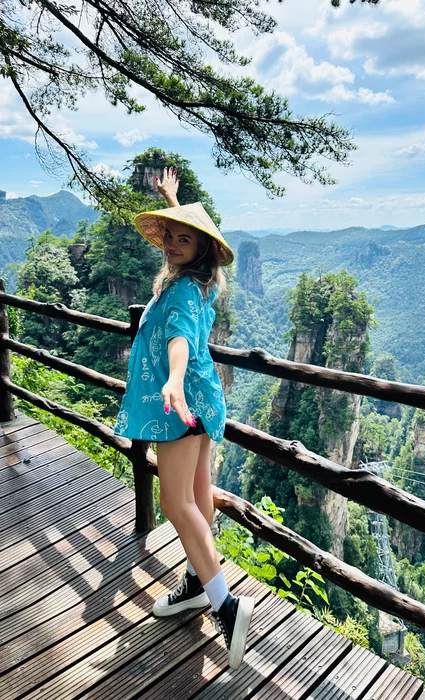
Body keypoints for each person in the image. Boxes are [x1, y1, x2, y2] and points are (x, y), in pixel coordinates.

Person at [114, 166, 254, 671]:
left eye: (183, 239)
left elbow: (179, 338)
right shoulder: (199, 283)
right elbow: (189, 253)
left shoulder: (179, 294)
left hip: (180, 405)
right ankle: (197, 584)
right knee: (197, 497)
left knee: (175, 502)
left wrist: (173, 381)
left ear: (202, 250)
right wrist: (176, 204)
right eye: (169, 237)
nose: (172, 245)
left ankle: (226, 605)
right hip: (203, 400)